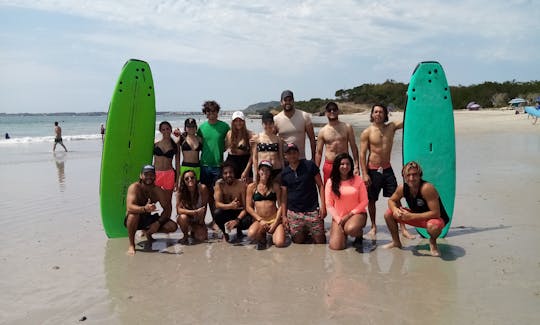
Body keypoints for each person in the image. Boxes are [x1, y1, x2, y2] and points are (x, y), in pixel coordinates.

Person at [359, 104, 414, 239]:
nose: (378, 114)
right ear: (372, 114)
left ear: (385, 114)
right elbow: (362, 154)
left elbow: (409, 120)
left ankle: (403, 227)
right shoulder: (367, 132)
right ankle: (373, 226)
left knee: (396, 198)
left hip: (387, 169)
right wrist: (364, 174)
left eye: (381, 112)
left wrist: (413, 103)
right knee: (372, 200)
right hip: (373, 170)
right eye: (375, 112)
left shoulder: (391, 127)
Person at [383, 161, 450, 257]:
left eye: (414, 175)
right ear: (404, 176)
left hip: (434, 219)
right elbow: (391, 200)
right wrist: (395, 209)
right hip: (415, 217)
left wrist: (411, 216)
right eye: (408, 175)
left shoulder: (427, 188)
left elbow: (436, 213)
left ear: (420, 175)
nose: (411, 178)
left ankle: (433, 242)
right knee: (388, 214)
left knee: (433, 226)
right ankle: (396, 242)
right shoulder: (402, 188)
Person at [124, 165, 178, 255]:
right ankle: (132, 244)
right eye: (146, 174)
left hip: (148, 219)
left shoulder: (158, 191)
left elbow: (167, 209)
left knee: (172, 226)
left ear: (155, 176)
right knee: (133, 215)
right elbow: (129, 207)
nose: (149, 177)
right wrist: (144, 209)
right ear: (141, 176)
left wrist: (158, 223)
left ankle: (148, 232)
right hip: (134, 219)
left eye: (152, 174)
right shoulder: (134, 187)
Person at [281, 143, 326, 244]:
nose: (292, 155)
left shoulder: (309, 165)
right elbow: (284, 196)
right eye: (289, 153)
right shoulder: (284, 173)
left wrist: (323, 206)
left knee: (320, 242)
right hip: (294, 213)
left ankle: (310, 230)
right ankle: (305, 231)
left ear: (298, 153)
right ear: (285, 156)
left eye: (294, 152)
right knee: (298, 242)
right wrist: (284, 216)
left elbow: (320, 185)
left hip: (312, 211)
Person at [325, 153, 368, 250]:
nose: (345, 166)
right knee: (336, 247)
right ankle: (343, 234)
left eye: (348, 164)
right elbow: (329, 205)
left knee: (350, 229)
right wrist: (339, 219)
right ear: (337, 166)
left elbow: (365, 201)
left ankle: (358, 234)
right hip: (339, 217)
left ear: (351, 166)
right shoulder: (330, 182)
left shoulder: (358, 179)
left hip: (357, 214)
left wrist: (349, 215)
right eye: (342, 164)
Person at [198, 101, 230, 225]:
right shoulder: (201, 128)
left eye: (214, 111)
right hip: (204, 165)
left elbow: (229, 141)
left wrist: (223, 148)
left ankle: (216, 221)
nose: (212, 114)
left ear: (217, 112)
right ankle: (204, 221)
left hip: (218, 166)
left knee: (217, 196)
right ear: (205, 113)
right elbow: (197, 143)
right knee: (206, 196)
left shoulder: (224, 126)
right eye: (209, 111)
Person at [315, 102, 360, 183]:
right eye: (329, 110)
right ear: (326, 113)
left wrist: (356, 166)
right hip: (329, 165)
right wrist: (316, 170)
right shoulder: (322, 131)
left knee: (346, 191)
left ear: (338, 111)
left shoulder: (347, 127)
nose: (332, 111)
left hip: (344, 165)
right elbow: (318, 152)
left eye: (334, 109)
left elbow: (354, 147)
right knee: (328, 191)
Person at [246, 160, 286, 249]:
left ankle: (274, 233)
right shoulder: (251, 187)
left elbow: (280, 206)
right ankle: (262, 235)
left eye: (268, 170)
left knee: (279, 243)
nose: (265, 172)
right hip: (260, 220)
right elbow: (248, 207)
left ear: (270, 173)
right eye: (262, 169)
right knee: (251, 234)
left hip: (274, 219)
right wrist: (260, 220)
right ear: (258, 171)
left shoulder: (275, 186)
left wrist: (275, 223)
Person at [213, 161, 253, 242]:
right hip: (227, 211)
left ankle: (239, 231)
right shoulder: (219, 185)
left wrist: (237, 220)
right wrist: (230, 206)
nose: (228, 175)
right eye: (225, 173)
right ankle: (225, 233)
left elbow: (246, 208)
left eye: (230, 172)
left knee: (248, 221)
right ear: (222, 174)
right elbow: (217, 204)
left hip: (240, 213)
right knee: (217, 213)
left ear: (234, 173)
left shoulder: (241, 185)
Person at [274, 90, 316, 160]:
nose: (288, 102)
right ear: (281, 102)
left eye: (290, 100)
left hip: (301, 159)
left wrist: (313, 158)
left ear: (293, 101)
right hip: (284, 161)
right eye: (285, 100)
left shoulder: (304, 116)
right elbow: (270, 138)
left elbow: (312, 139)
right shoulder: (276, 119)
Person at [153, 121, 180, 218]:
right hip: (156, 174)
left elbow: (177, 163)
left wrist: (177, 180)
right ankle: (148, 220)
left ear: (170, 129)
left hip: (169, 175)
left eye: (167, 129)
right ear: (160, 131)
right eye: (163, 129)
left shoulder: (175, 145)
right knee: (151, 199)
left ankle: (166, 220)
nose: (165, 131)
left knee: (168, 202)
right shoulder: (155, 144)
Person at [176, 169, 209, 244]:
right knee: (182, 218)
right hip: (187, 218)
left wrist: (201, 222)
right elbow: (178, 210)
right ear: (183, 181)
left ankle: (194, 231)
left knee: (202, 238)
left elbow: (204, 207)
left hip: (198, 218)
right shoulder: (180, 192)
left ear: (195, 178)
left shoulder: (202, 188)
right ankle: (185, 235)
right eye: (186, 179)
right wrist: (193, 212)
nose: (190, 180)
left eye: (192, 177)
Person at [252, 112, 284, 181]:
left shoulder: (278, 139)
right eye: (265, 124)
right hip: (263, 171)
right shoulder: (257, 138)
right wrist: (256, 172)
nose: (268, 126)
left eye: (270, 123)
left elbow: (281, 157)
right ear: (262, 124)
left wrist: (283, 171)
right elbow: (255, 157)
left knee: (277, 190)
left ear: (273, 124)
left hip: (276, 170)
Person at [225, 111, 254, 182]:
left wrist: (246, 170)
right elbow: (224, 148)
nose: (238, 123)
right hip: (231, 161)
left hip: (244, 162)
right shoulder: (229, 133)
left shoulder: (250, 135)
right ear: (232, 122)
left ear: (244, 121)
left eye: (240, 120)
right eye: (236, 121)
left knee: (245, 185)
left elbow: (253, 155)